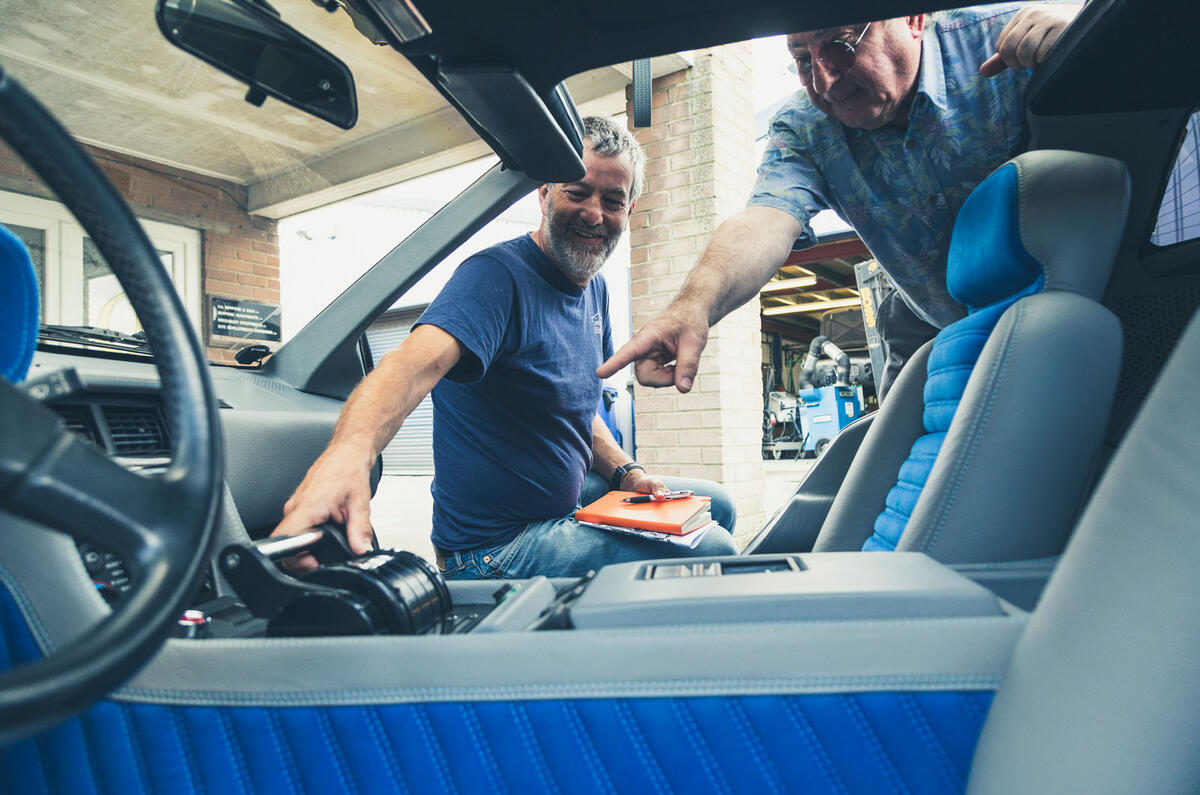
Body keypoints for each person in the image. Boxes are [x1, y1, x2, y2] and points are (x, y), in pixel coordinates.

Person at [272, 115, 738, 578]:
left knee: (718, 505)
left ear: (629, 211)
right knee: (710, 547)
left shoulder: (595, 289)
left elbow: (576, 408)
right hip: (497, 547)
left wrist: (626, 473)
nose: (594, 214)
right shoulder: (495, 278)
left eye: (612, 200)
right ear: (543, 193)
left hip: (571, 506)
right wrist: (349, 455)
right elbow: (411, 365)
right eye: (577, 191)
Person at [598, 3, 1082, 398]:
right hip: (949, 336)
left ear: (913, 19)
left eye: (841, 45)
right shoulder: (805, 126)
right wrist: (693, 306)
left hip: (1075, 314)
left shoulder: (1004, 45)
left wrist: (1085, 45)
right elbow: (767, 218)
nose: (825, 82)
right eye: (805, 60)